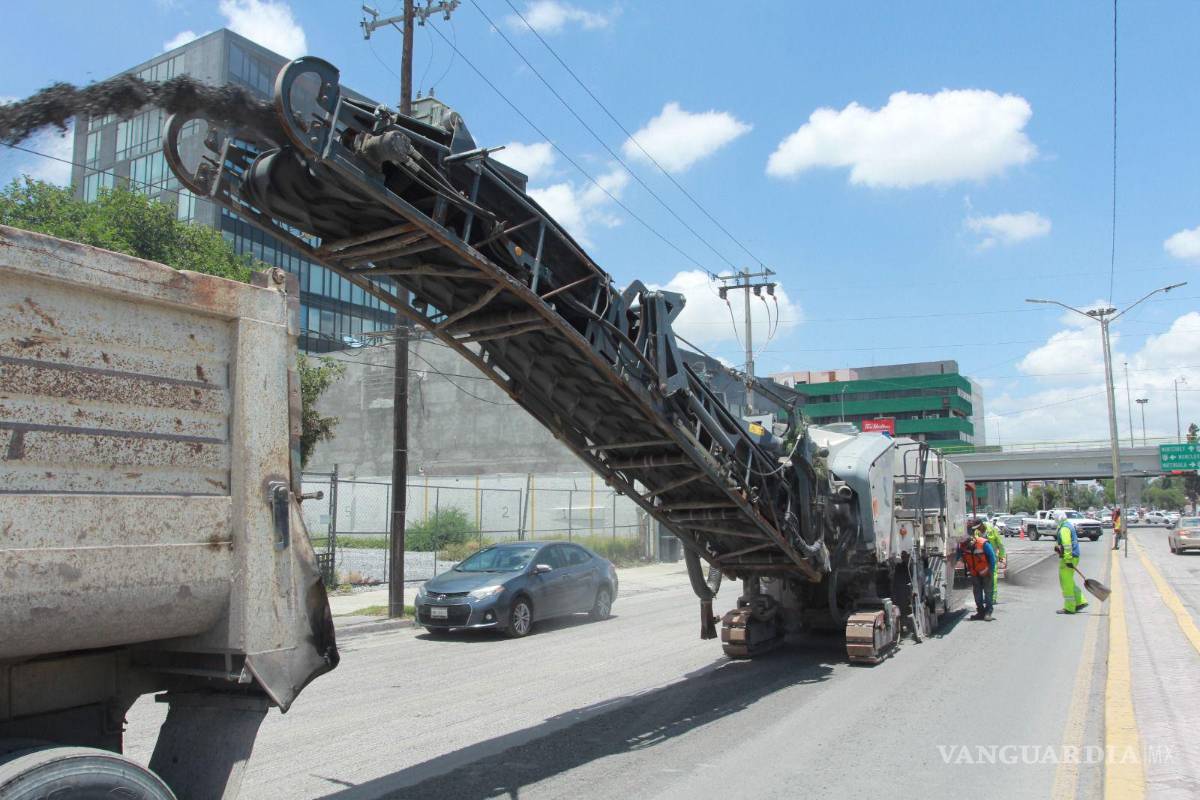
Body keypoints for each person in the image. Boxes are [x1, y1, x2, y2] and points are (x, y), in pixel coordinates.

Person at [959, 522, 996, 621]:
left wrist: (990, 571)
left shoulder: (983, 543)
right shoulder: (963, 547)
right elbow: (960, 557)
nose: (967, 547)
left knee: (988, 592)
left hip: (986, 572)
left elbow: (992, 558)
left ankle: (988, 612)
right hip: (975, 573)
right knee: (977, 593)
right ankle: (980, 611)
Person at [1055, 517, 1088, 615]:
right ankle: (1080, 601)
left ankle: (1069, 607)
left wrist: (1068, 559)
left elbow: (1067, 544)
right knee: (1070, 581)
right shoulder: (1068, 525)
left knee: (1066, 583)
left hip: (1069, 558)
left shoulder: (1064, 528)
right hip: (1074, 557)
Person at [981, 518, 1007, 601]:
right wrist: (1001, 556)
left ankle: (989, 597)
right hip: (986, 558)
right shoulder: (990, 530)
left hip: (986, 558)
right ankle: (990, 597)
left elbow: (1000, 544)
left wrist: (1001, 557)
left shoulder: (987, 531)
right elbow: (1000, 544)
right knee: (989, 577)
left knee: (988, 577)